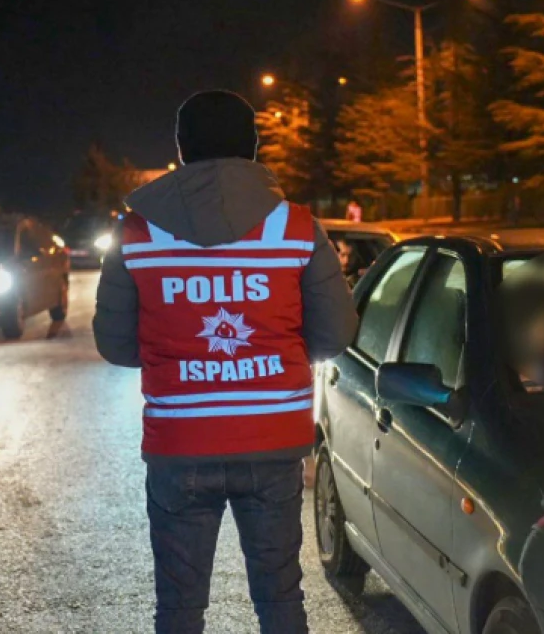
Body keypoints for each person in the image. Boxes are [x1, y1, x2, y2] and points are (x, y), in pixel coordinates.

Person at [93, 90, 358, 634]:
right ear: (254, 146)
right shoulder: (296, 227)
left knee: (180, 605)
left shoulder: (137, 231)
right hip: (272, 440)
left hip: (179, 443)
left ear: (181, 148)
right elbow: (336, 333)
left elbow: (115, 345)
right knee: (281, 595)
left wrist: (179, 354)